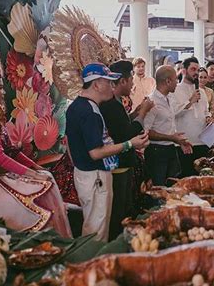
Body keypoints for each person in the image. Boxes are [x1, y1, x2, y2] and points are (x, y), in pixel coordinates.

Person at [0, 16, 71, 237]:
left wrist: (38, 170)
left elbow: (11, 151)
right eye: (0, 87)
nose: (3, 91)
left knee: (47, 180)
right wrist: (31, 173)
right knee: (39, 192)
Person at [66, 63, 148, 242]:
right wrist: (129, 144)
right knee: (97, 230)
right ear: (96, 84)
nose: (112, 86)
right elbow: (96, 152)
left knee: (94, 224)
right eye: (108, 82)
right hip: (95, 176)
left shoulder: (76, 106)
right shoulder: (90, 112)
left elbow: (69, 144)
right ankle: (93, 264)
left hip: (85, 173)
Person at [99, 60, 153, 239]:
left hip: (120, 165)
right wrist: (143, 113)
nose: (132, 83)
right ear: (122, 81)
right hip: (118, 167)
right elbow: (126, 134)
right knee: (119, 214)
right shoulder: (111, 104)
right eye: (130, 79)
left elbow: (121, 126)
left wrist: (136, 113)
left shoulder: (115, 102)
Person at [144, 65, 192, 186]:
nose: (177, 82)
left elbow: (167, 125)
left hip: (170, 150)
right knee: (158, 191)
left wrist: (179, 141)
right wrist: (171, 138)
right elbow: (146, 132)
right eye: (176, 79)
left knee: (172, 188)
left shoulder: (169, 98)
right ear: (168, 81)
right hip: (156, 153)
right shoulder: (151, 101)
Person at [172, 57, 211, 177]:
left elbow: (206, 111)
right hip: (185, 144)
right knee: (186, 179)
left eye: (198, 70)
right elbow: (173, 113)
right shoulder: (175, 90)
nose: (196, 73)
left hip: (202, 142)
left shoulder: (202, 91)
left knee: (202, 179)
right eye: (193, 69)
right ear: (183, 71)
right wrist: (190, 101)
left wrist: (209, 117)